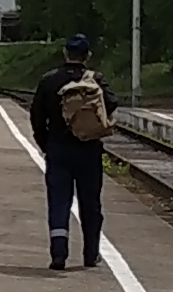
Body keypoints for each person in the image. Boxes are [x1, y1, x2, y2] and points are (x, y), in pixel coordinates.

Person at [31, 34, 115, 271]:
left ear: (65, 53)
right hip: (88, 149)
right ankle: (91, 253)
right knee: (90, 203)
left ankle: (59, 254)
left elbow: (37, 116)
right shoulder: (95, 80)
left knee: (59, 202)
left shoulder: (49, 80)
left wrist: (46, 144)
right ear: (87, 56)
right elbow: (112, 103)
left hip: (58, 150)